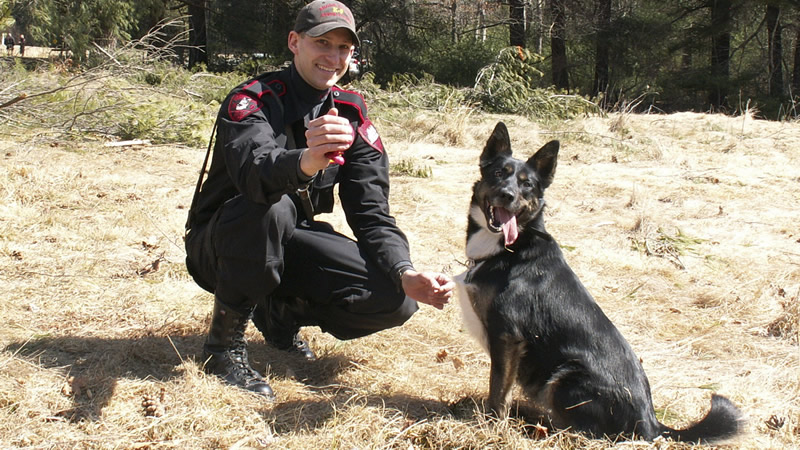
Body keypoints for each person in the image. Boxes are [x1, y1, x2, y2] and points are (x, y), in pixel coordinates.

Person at [184, 0, 454, 399]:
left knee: (395, 300)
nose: (333, 57)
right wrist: (307, 161)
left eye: (343, 48)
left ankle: (279, 315)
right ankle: (223, 350)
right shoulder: (253, 100)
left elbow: (372, 213)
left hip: (287, 241)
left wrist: (404, 271)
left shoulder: (351, 114)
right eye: (322, 42)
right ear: (295, 42)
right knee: (271, 204)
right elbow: (256, 177)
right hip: (223, 245)